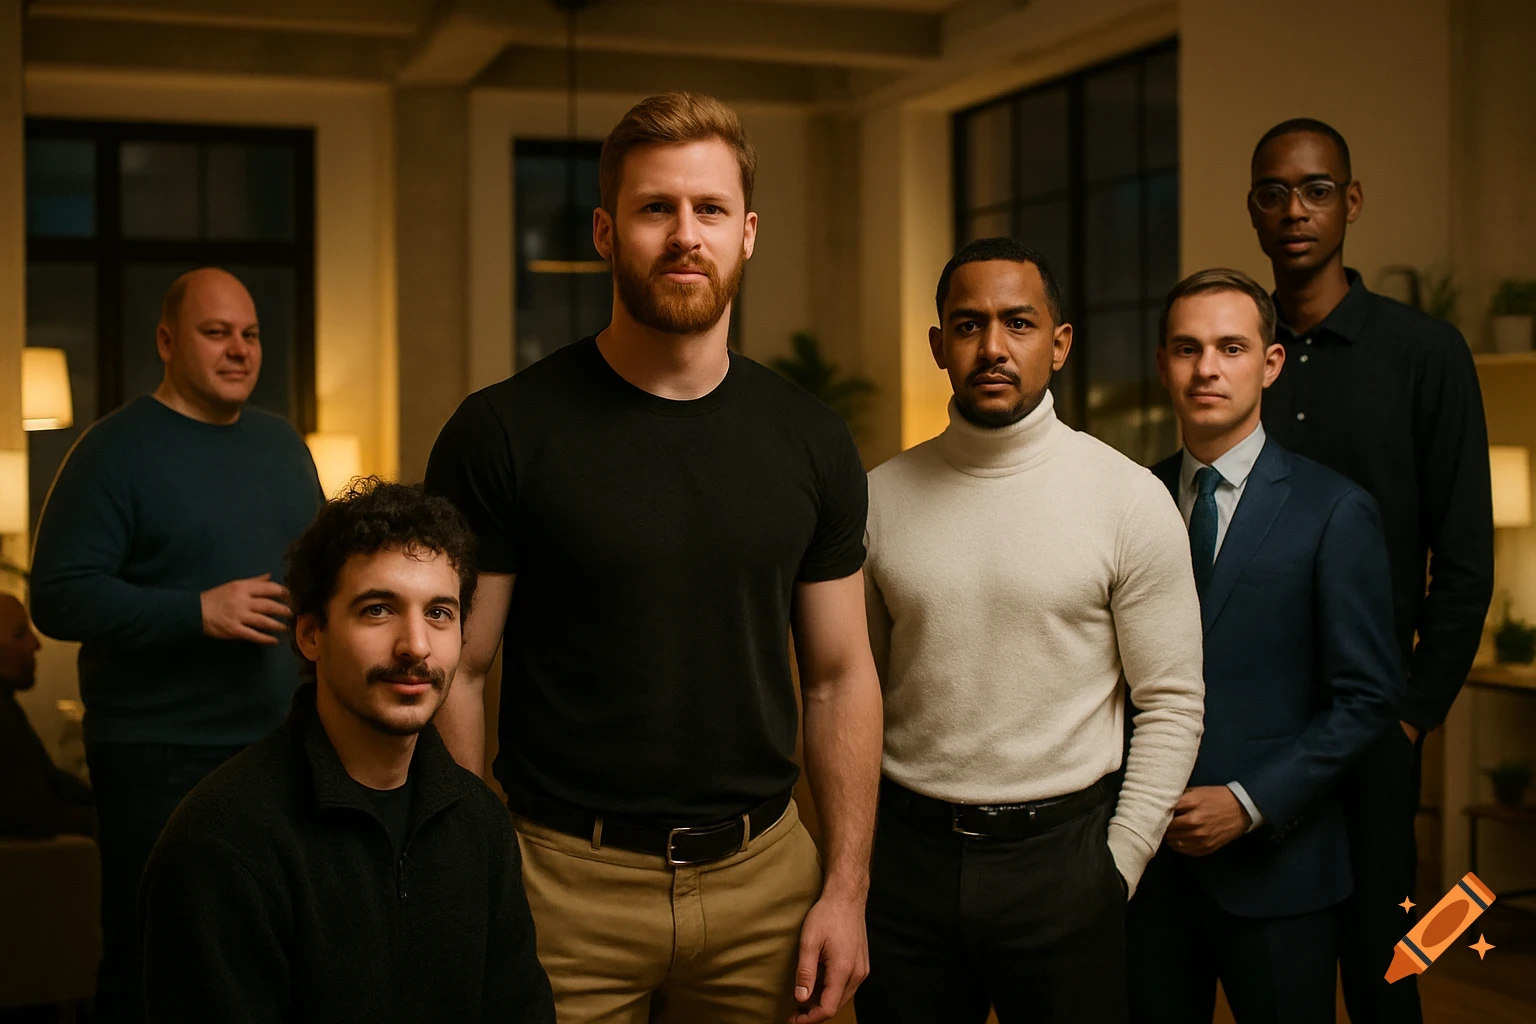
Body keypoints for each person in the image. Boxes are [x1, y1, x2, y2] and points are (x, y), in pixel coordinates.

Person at [424, 92, 881, 1024]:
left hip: (767, 888)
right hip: (562, 888)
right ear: (605, 232)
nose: (684, 235)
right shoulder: (503, 432)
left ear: (746, 233)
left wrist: (845, 889)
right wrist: (479, 870)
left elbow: (839, 677)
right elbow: (459, 669)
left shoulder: (811, 440)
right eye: (654, 208)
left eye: (709, 209)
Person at [855, 237, 1206, 1023]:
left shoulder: (1127, 500)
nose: (993, 347)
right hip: (906, 863)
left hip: (1066, 863)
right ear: (939, 344)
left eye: (1018, 323)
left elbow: (1173, 702)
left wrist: (1118, 865)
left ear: (1059, 343)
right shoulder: (878, 499)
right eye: (969, 324)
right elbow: (855, 692)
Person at [139, 480, 555, 1023]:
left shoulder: (479, 822)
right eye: (378, 609)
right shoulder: (222, 844)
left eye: (439, 613)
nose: (416, 646)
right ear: (311, 635)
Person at [1248, 119, 1495, 1023]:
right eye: (1274, 192)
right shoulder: (1236, 349)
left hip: (1373, 727)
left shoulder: (1424, 352)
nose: (1296, 210)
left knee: (1387, 975)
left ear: (1349, 203)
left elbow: (1464, 558)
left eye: (1316, 190)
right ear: (1253, 210)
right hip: (1256, 728)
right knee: (1278, 978)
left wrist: (1413, 714)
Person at [28, 267, 323, 1023]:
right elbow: (58, 597)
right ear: (166, 341)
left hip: (277, 747)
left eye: (250, 334)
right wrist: (197, 611)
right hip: (156, 754)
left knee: (268, 956)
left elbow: (321, 576)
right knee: (153, 959)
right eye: (216, 333)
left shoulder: (282, 444)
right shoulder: (113, 450)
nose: (239, 350)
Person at [1128, 268, 1404, 1022]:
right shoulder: (1129, 502)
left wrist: (1249, 803)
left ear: (1271, 363)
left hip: (1281, 876)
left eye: (1231, 347)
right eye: (1186, 348)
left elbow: (1367, 698)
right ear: (1162, 364)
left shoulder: (1334, 509)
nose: (1207, 369)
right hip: (1147, 876)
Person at [0, 593, 96, 838]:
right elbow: (29, 814)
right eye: (20, 634)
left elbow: (50, 781)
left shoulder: (8, 707)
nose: (36, 644)